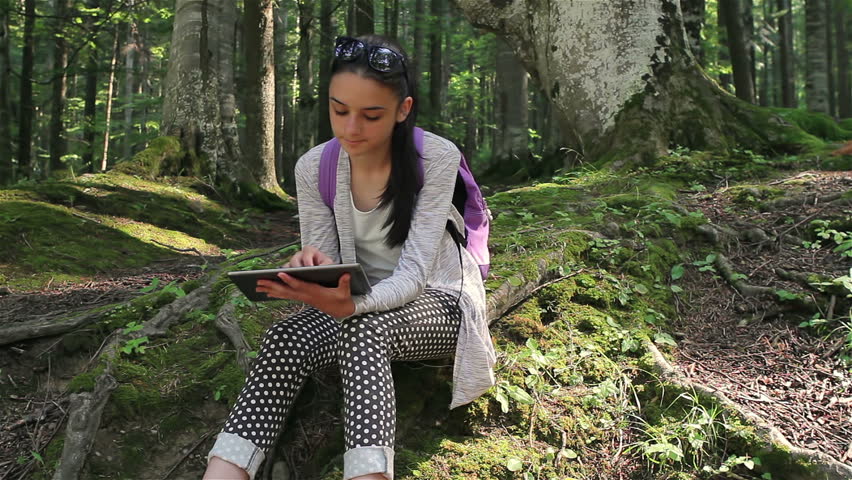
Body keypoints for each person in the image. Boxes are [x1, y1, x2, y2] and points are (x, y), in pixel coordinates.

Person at [203, 34, 495, 480]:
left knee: (364, 328)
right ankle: (225, 472)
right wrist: (313, 273)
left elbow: (416, 274)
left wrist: (354, 305)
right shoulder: (314, 166)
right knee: (285, 338)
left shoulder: (435, 157)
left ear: (403, 109)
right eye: (339, 111)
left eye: (371, 115)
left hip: (440, 299)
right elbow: (330, 262)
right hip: (360, 300)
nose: (352, 129)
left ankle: (368, 475)